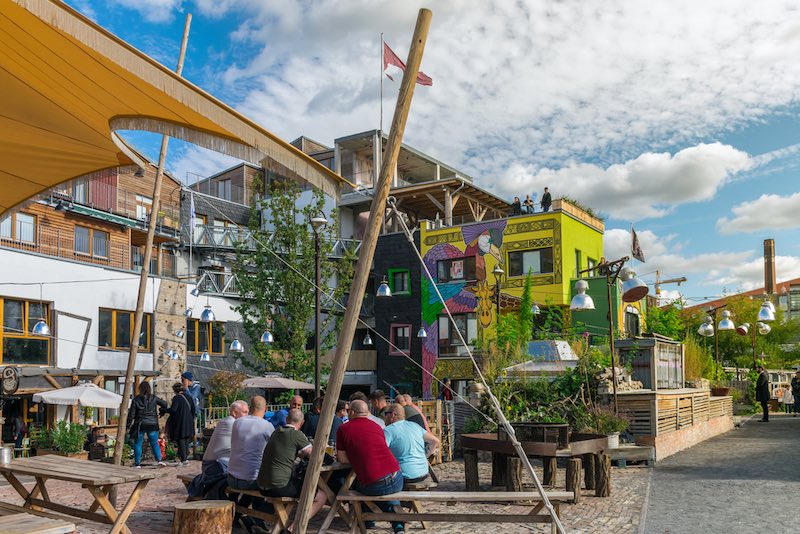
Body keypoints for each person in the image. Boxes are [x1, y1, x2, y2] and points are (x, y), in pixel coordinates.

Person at [336, 400, 405, 534]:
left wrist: (358, 457)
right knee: (384, 490)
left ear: (352, 412)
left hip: (374, 484)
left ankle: (368, 521)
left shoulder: (343, 429)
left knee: (356, 486)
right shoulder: (377, 426)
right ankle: (397, 525)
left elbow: (342, 459)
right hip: (396, 477)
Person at [257, 408, 327, 529]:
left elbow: (287, 450)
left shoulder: (277, 431)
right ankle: (295, 527)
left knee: (300, 485)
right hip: (278, 487)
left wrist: (299, 453)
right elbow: (315, 456)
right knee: (321, 496)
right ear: (302, 422)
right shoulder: (296, 434)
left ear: (286, 419)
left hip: (262, 485)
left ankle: (282, 527)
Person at [383, 404, 440, 486]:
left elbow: (380, 451)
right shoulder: (415, 426)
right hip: (423, 473)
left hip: (404, 476)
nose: (385, 417)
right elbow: (435, 441)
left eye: (386, 414)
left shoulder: (388, 430)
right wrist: (425, 455)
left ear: (393, 414)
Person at [228, 396, 275, 490]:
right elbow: (274, 450)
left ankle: (238, 503)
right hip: (251, 480)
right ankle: (257, 505)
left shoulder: (237, 423)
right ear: (265, 409)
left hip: (231, 479)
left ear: (250, 407)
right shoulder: (267, 426)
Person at [126, 381, 167, 468]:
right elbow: (165, 404)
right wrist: (161, 412)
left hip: (140, 424)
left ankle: (137, 464)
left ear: (140, 389)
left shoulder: (136, 399)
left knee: (138, 443)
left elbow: (131, 415)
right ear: (149, 389)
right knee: (154, 443)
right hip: (152, 424)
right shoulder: (154, 398)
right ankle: (159, 460)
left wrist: (127, 426)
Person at [202, 400, 249, 473]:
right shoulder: (233, 424)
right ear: (234, 413)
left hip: (209, 464)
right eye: (245, 412)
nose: (247, 415)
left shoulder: (223, 421)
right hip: (217, 466)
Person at [165, 382, 197, 465]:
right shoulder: (189, 397)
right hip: (189, 421)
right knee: (186, 439)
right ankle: (185, 457)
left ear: (175, 390)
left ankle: (184, 459)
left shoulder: (177, 398)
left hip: (181, 421)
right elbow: (193, 409)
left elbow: (173, 410)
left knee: (181, 440)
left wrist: (164, 410)